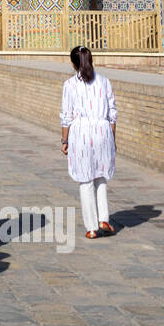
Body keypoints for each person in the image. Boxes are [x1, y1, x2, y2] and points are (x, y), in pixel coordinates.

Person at [59, 46, 118, 239]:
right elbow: (112, 114)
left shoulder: (69, 85)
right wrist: (112, 139)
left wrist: (65, 140)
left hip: (81, 134)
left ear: (73, 64)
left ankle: (92, 227)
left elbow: (66, 116)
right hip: (103, 132)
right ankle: (104, 218)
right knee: (100, 177)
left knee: (85, 180)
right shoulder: (104, 82)